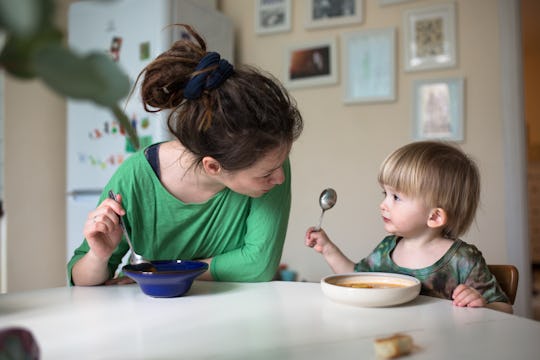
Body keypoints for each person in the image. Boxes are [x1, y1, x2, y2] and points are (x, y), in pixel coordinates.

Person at [68, 24, 303, 286]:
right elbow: (80, 282)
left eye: (279, 165)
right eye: (268, 173)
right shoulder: (134, 178)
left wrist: (161, 272)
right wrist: (98, 257)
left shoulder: (270, 164)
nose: (279, 177)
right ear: (213, 166)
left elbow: (258, 265)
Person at [305, 141, 513, 313]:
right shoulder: (387, 249)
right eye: (384, 194)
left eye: (396, 197)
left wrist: (482, 303)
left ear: (434, 216)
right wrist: (327, 248)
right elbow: (353, 276)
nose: (383, 204)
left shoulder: (463, 260)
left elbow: (505, 308)